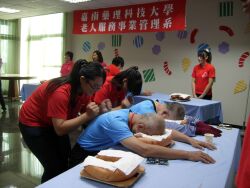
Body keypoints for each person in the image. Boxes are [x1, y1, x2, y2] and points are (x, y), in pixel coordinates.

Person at [18, 60, 111, 183]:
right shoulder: (61, 92)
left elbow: (86, 115)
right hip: (33, 123)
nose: (96, 91)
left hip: (53, 123)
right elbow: (60, 129)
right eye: (94, 86)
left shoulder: (84, 90)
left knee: (65, 157)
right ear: (82, 79)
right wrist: (88, 115)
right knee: (53, 167)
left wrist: (100, 110)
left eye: (99, 87)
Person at [69, 109, 216, 168]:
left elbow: (167, 131)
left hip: (102, 149)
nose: (149, 137)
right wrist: (188, 155)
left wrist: (190, 140)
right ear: (140, 127)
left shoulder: (136, 116)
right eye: (149, 135)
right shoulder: (117, 123)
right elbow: (145, 150)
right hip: (84, 154)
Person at [130, 100, 222, 137]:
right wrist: (196, 130)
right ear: (164, 115)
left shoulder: (162, 105)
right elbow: (169, 125)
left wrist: (197, 122)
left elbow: (180, 118)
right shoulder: (147, 112)